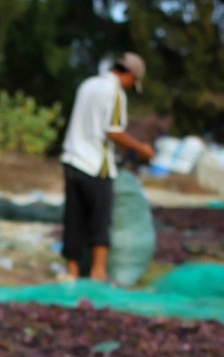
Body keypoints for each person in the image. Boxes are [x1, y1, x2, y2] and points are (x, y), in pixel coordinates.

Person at [60, 51, 156, 281]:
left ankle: (72, 271)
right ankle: (98, 271)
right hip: (95, 164)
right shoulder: (114, 92)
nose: (132, 86)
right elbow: (112, 130)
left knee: (74, 218)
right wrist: (141, 149)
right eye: (134, 82)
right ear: (129, 75)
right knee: (100, 220)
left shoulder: (88, 84)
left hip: (71, 159)